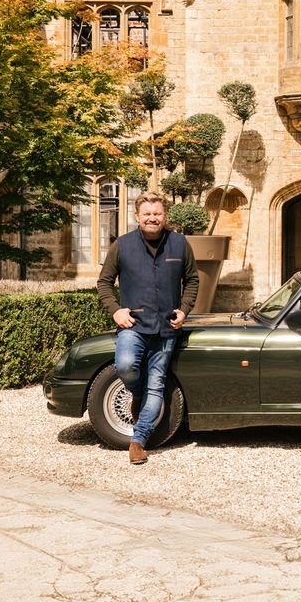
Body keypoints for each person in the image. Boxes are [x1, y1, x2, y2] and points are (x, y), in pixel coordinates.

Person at [97, 191, 199, 464]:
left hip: (167, 328)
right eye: (147, 214)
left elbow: (192, 280)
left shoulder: (179, 244)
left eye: (157, 214)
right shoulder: (122, 245)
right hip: (134, 325)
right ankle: (136, 392)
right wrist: (115, 310)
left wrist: (184, 309)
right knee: (126, 366)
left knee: (157, 384)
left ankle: (138, 441)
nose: (153, 218)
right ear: (137, 216)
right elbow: (104, 283)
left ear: (165, 216)